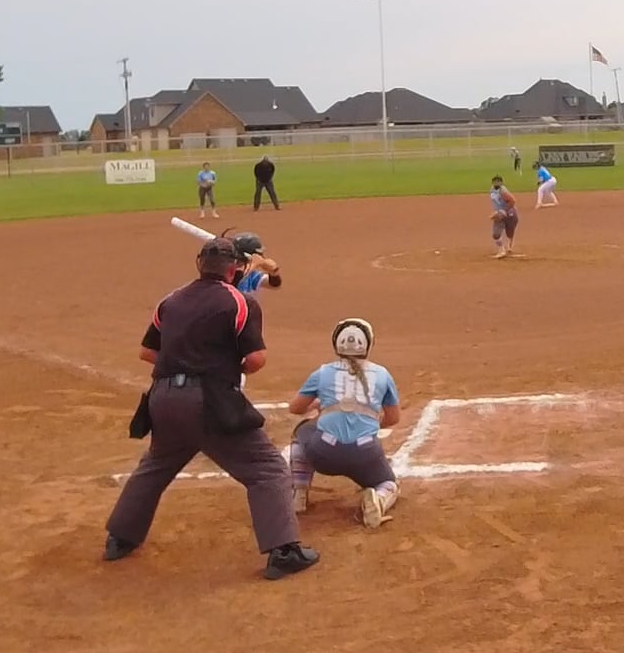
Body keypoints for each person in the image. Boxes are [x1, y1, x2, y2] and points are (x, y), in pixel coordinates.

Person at [103, 236, 317, 580]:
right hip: (208, 400)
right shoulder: (240, 301)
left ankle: (120, 538)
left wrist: (183, 364)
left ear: (200, 264)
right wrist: (221, 369)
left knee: (156, 465)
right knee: (267, 469)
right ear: (235, 270)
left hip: (162, 398)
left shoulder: (171, 300)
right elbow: (256, 359)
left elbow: (147, 352)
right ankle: (284, 551)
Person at [287, 318, 403, 529]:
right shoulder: (382, 374)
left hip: (324, 454)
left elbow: (295, 408)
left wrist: (319, 405)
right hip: (366, 454)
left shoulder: (322, 372)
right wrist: (368, 423)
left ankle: (299, 494)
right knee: (389, 484)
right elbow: (393, 418)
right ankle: (379, 500)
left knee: (302, 431)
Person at [489, 175, 520, 258]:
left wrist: (504, 210)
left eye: (498, 181)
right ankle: (501, 250)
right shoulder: (492, 190)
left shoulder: (503, 191)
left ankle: (509, 245)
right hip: (499, 214)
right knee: (496, 234)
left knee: (510, 232)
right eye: (495, 181)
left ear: (501, 183)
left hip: (510, 213)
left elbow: (512, 201)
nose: (496, 183)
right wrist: (498, 212)